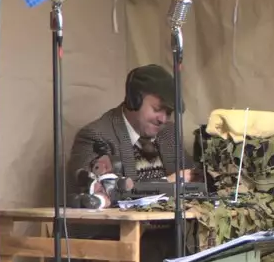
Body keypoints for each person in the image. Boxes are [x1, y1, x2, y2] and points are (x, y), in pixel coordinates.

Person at [67, 63, 192, 205]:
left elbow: (193, 180)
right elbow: (97, 195)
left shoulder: (169, 133)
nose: (163, 119)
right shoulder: (95, 136)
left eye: (168, 113)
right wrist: (166, 183)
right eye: (157, 109)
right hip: (124, 227)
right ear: (134, 99)